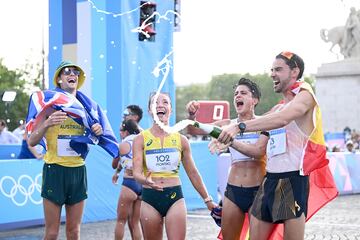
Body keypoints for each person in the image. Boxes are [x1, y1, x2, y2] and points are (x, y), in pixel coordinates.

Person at [217, 51, 337, 239]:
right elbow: (258, 143)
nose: (272, 74)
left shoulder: (306, 96)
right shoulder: (277, 108)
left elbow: (282, 120)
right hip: (269, 181)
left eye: (278, 69)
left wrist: (238, 127)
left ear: (294, 71)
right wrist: (205, 126)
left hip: (291, 180)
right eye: (272, 69)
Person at [27, 61, 118, 240]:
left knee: (74, 231)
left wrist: (97, 130)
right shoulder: (49, 105)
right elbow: (32, 140)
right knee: (52, 233)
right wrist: (47, 123)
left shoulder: (88, 109)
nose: (72, 75)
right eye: (67, 72)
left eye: (76, 72)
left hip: (77, 171)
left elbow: (99, 135)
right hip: (55, 170)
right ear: (59, 80)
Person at [186, 78, 269, 239]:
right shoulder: (226, 124)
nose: (238, 96)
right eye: (236, 94)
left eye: (243, 93)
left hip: (259, 190)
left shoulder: (264, 123)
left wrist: (231, 140)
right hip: (233, 191)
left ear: (255, 100)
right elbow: (193, 130)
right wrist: (191, 115)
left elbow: (258, 152)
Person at [132, 92, 216, 240]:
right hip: (150, 198)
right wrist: (145, 180)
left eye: (165, 102)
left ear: (170, 109)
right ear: (150, 110)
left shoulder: (181, 140)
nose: (160, 105)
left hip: (174, 197)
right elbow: (136, 173)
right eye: (155, 103)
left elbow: (193, 173)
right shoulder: (140, 139)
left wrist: (207, 200)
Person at [112, 119, 142, 240]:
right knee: (135, 223)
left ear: (125, 131)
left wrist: (117, 172)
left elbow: (114, 164)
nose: (120, 133)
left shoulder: (123, 144)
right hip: (142, 184)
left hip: (129, 183)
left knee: (120, 221)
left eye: (120, 130)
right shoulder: (142, 140)